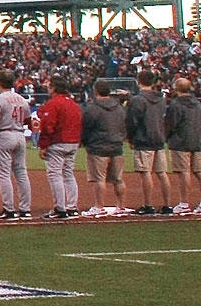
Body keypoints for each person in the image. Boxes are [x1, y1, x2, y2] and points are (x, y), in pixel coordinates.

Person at [0, 71, 34, 219]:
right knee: (21, 172)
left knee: (3, 173)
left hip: (3, 134)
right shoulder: (21, 99)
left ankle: (9, 208)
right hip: (19, 134)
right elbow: (28, 122)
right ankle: (25, 209)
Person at [37, 74, 83, 219]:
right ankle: (72, 207)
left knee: (55, 175)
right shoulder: (74, 104)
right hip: (73, 142)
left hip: (58, 142)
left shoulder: (54, 103)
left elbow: (48, 126)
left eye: (50, 86)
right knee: (69, 174)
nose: (48, 89)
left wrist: (43, 145)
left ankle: (60, 208)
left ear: (54, 88)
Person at [126, 67, 170, 215]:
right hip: (159, 138)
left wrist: (130, 138)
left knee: (146, 173)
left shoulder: (138, 100)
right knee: (162, 173)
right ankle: (167, 205)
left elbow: (132, 121)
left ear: (139, 81)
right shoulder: (161, 99)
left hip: (144, 138)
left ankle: (148, 204)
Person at [80, 78, 128, 211]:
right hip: (116, 146)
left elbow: (86, 128)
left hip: (98, 147)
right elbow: (124, 125)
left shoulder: (93, 109)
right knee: (118, 179)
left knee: (99, 179)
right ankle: (121, 206)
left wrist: (84, 142)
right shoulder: (119, 108)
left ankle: (99, 206)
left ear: (96, 91)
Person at [165, 76, 200, 212]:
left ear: (176, 89)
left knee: (184, 172)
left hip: (180, 141)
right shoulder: (197, 103)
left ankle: (184, 203)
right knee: (198, 171)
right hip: (197, 140)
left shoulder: (176, 105)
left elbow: (170, 124)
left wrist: (166, 137)